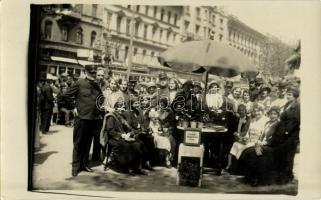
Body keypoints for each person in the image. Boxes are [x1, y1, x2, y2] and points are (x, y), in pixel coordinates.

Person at [238, 88, 300, 186]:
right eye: (287, 94)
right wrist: (260, 141)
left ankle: (272, 178)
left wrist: (286, 133)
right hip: (275, 140)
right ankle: (250, 176)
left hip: (286, 138)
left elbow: (294, 122)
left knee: (286, 158)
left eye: (290, 95)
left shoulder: (296, 107)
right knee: (248, 151)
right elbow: (264, 134)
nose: (288, 96)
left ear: (295, 96)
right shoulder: (286, 106)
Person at [62, 65, 104, 177]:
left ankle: (84, 164)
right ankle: (75, 167)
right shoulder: (79, 83)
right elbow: (65, 96)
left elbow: (100, 99)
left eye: (94, 73)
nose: (93, 75)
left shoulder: (96, 85)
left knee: (87, 143)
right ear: (85, 72)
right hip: (81, 118)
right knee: (78, 143)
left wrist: (99, 110)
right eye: (91, 73)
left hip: (93, 119)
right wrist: (73, 107)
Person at [100, 100, 148, 175]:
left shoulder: (122, 117)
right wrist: (122, 135)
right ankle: (125, 167)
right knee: (126, 145)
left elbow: (128, 128)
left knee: (138, 143)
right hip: (113, 138)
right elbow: (110, 131)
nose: (122, 109)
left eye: (123, 108)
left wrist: (130, 133)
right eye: (120, 107)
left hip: (123, 137)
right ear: (115, 108)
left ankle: (137, 167)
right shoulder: (111, 117)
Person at [225, 104, 251, 171]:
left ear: (245, 111)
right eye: (239, 110)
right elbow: (232, 128)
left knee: (235, 145)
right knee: (228, 143)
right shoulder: (236, 118)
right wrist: (234, 134)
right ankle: (229, 164)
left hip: (244, 136)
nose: (241, 112)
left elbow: (246, 130)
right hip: (236, 136)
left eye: (242, 110)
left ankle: (235, 166)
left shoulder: (248, 119)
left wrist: (239, 135)